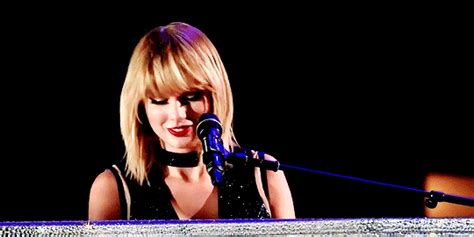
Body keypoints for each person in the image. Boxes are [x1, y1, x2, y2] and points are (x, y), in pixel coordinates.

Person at [88, 22, 295, 220]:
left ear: (216, 93)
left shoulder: (265, 175)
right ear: (141, 107)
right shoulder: (112, 189)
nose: (178, 114)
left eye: (192, 97)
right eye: (160, 101)